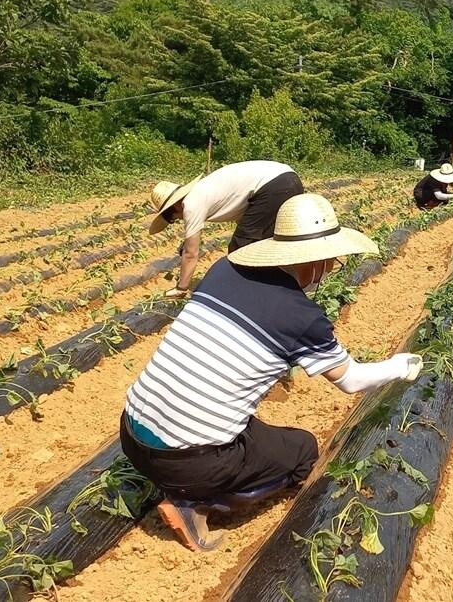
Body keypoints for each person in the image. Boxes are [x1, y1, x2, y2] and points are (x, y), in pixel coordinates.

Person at [121, 193, 423, 552]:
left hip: (129, 435)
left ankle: (181, 481)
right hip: (189, 465)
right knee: (303, 451)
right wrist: (401, 365)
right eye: (330, 262)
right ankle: (193, 503)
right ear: (314, 260)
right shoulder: (299, 316)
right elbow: (352, 380)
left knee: (252, 430)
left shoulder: (224, 269)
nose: (329, 270)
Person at [148, 160, 305, 299]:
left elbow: (191, 254)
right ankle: (279, 292)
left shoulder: (190, 203)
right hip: (287, 178)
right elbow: (246, 213)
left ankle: (244, 298)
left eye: (173, 217)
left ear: (175, 205)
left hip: (273, 187)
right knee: (268, 245)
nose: (178, 220)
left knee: (240, 251)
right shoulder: (203, 191)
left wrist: (181, 288)